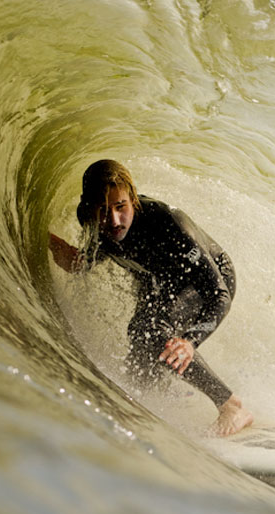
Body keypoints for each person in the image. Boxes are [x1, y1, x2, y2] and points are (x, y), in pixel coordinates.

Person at [48, 159, 254, 437]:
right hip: (158, 278)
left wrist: (190, 342)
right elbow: (89, 260)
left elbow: (219, 294)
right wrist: (58, 247)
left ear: (132, 201)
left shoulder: (168, 223)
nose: (113, 220)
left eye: (121, 207)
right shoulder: (92, 220)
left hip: (208, 278)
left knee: (152, 332)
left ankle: (231, 405)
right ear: (90, 208)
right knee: (139, 356)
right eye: (103, 210)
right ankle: (161, 406)